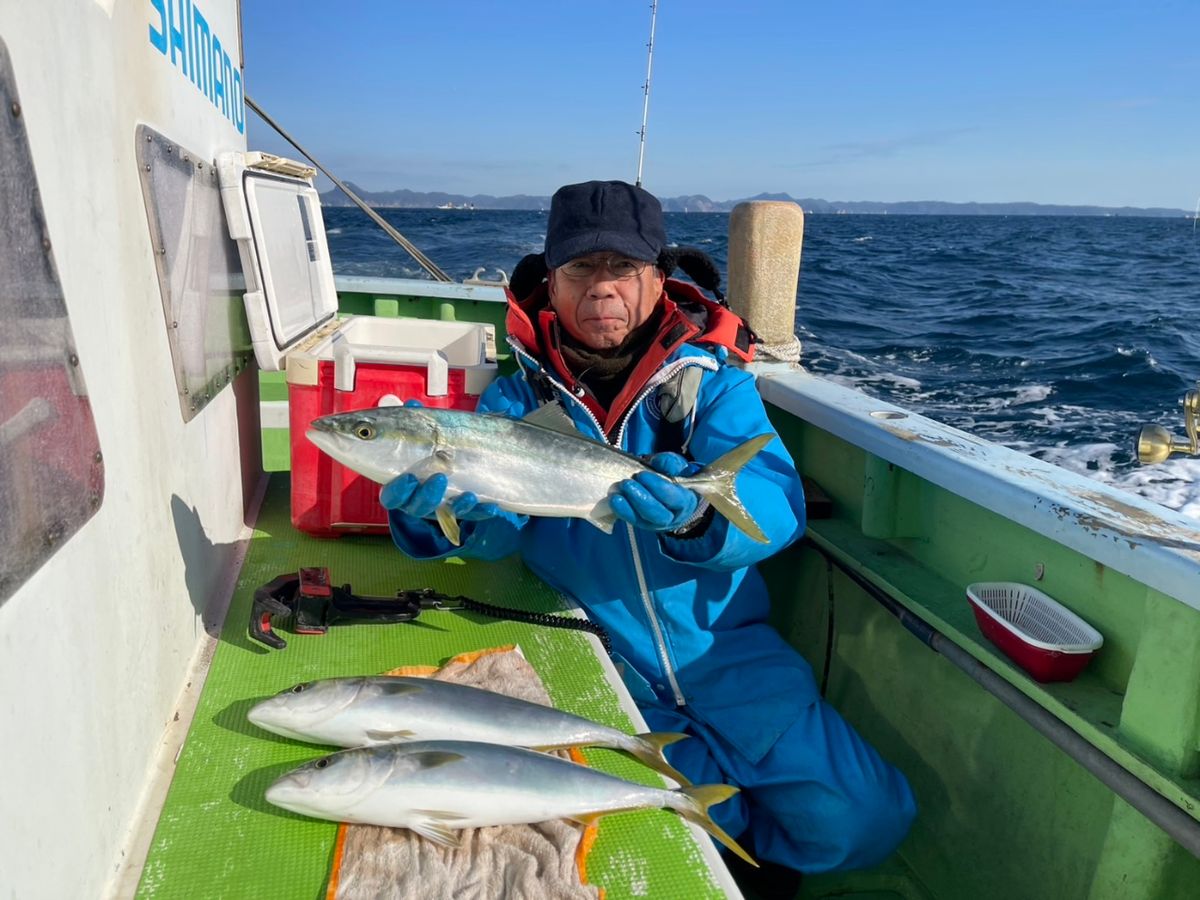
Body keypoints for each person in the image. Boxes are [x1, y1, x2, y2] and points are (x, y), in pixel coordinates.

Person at [380, 180, 916, 882]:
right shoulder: (515, 399)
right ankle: (734, 863)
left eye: (622, 270)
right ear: (551, 280)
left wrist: (696, 515)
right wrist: (437, 522)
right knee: (675, 833)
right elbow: (500, 526)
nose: (601, 289)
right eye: (580, 271)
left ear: (658, 279)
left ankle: (750, 862)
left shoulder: (712, 381)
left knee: (863, 818)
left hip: (727, 649)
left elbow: (774, 503)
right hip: (600, 656)